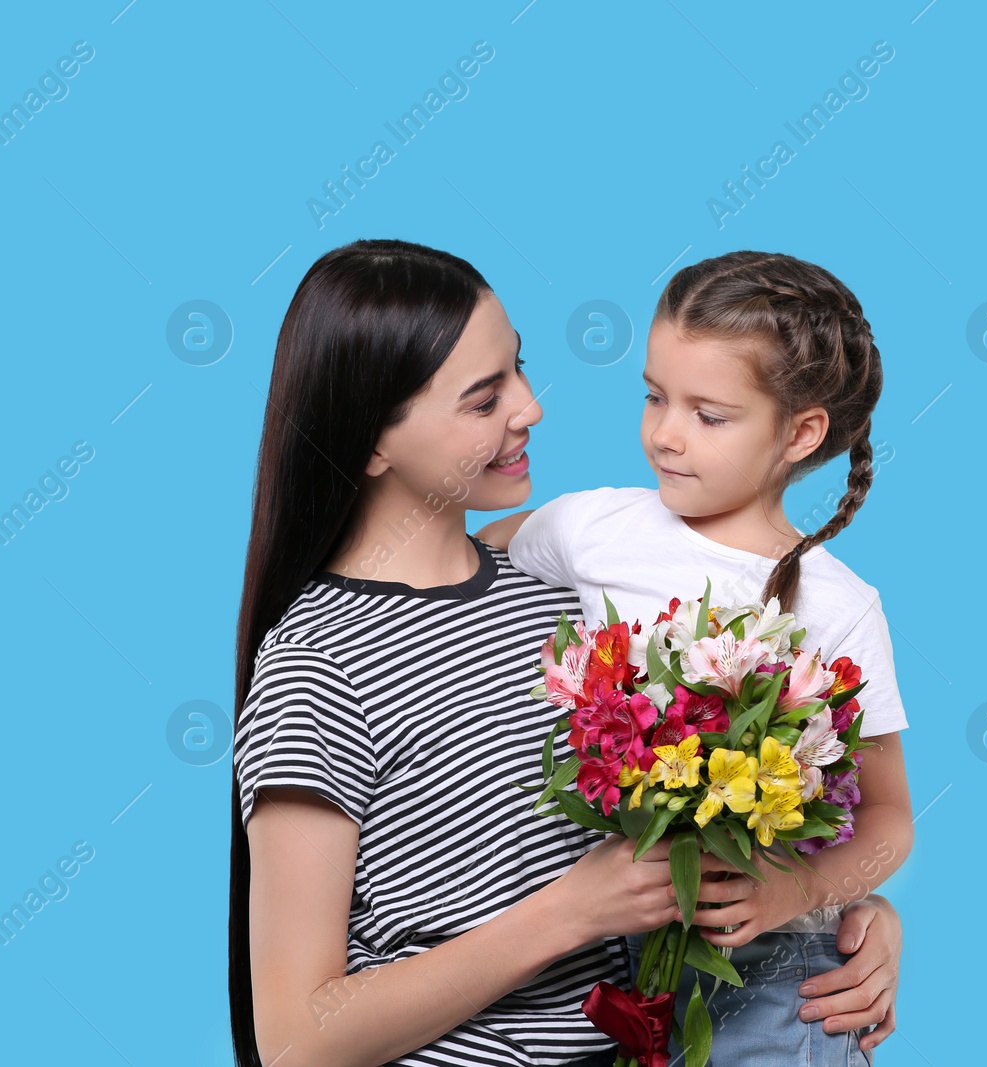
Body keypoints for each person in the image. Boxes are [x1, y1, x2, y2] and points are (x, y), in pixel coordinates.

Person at [228, 239, 902, 1067]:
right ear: (370, 440)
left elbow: (774, 824)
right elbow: (296, 1042)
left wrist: (834, 914)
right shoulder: (319, 662)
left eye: (519, 368)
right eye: (483, 400)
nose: (531, 408)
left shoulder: (571, 595)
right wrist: (570, 911)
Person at [476, 250, 912, 1066]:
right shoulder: (593, 527)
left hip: (779, 983)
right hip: (616, 963)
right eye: (653, 395)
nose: (666, 433)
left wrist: (797, 893)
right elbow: (461, 567)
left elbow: (890, 819)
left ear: (802, 432)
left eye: (709, 414)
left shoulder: (840, 607)